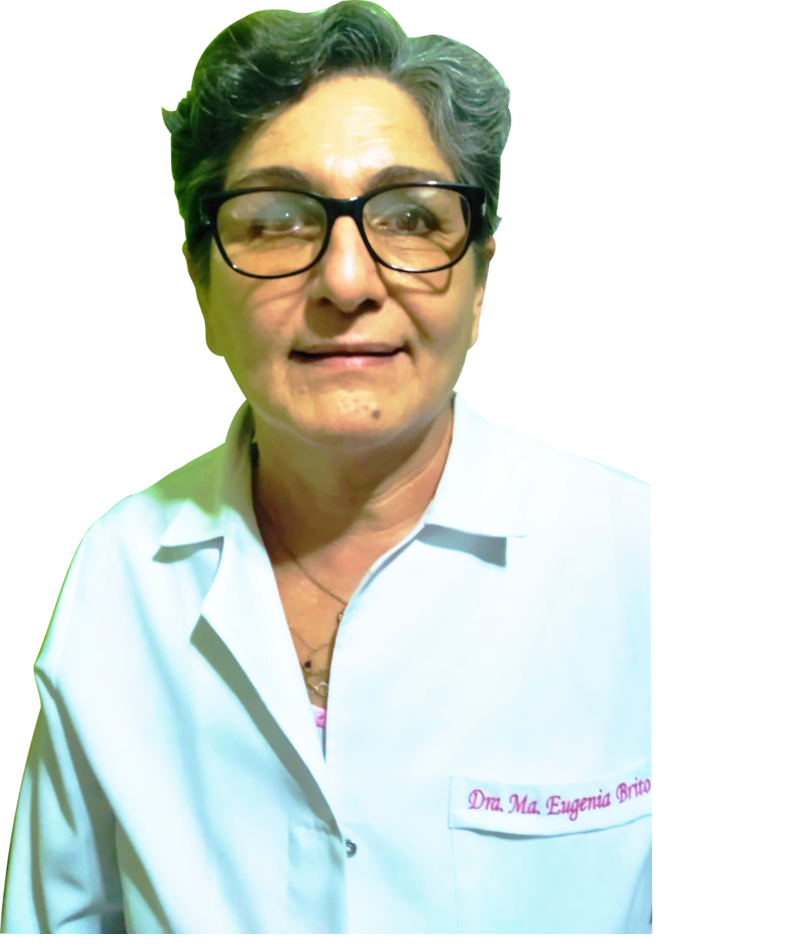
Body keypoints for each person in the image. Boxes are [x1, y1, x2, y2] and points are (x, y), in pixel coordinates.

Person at [0, 0, 651, 933]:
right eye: (275, 221)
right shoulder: (120, 576)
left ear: (481, 281)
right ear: (200, 284)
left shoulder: (647, 563)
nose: (346, 282)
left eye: (411, 217)